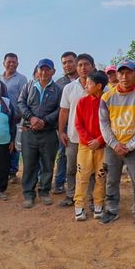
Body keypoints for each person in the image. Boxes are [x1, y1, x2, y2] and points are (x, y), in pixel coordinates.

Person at [98, 60, 135, 230]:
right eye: (121, 73)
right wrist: (114, 144)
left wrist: (130, 146)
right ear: (116, 75)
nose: (124, 76)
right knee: (111, 179)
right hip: (113, 146)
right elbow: (104, 123)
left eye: (128, 72)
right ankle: (112, 209)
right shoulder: (107, 97)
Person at [19, 59, 62, 208]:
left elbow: (60, 109)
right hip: (29, 132)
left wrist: (44, 121)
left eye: (47, 69)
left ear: (53, 71)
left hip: (48, 133)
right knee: (29, 164)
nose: (43, 72)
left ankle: (44, 191)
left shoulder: (58, 89)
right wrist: (31, 118)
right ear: (37, 70)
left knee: (47, 164)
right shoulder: (29, 86)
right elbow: (21, 103)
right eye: (41, 69)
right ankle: (28, 194)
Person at [58, 53, 96, 207]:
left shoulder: (101, 86)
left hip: (94, 137)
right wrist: (61, 131)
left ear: (92, 66)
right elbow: (64, 111)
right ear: (77, 67)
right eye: (80, 65)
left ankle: (93, 198)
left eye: (86, 64)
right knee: (71, 168)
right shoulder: (69, 88)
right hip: (74, 136)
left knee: (93, 169)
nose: (83, 68)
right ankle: (71, 195)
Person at [73, 71, 108, 221]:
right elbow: (78, 124)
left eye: (89, 83)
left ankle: (99, 205)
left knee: (101, 176)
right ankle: (79, 206)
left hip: (103, 146)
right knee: (82, 176)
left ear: (99, 86)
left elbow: (111, 124)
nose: (86, 86)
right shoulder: (82, 101)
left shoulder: (108, 101)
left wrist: (99, 140)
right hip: (85, 146)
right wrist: (89, 141)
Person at [0, 53, 28, 182]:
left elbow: (24, 98)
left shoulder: (21, 79)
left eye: (14, 62)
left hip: (16, 116)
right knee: (3, 144)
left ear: (17, 63)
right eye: (9, 62)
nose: (11, 64)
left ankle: (12, 172)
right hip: (0, 117)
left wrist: (22, 115)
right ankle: (2, 171)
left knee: (15, 145)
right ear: (4, 63)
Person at [53, 52, 79, 194]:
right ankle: (59, 183)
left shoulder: (86, 80)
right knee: (63, 155)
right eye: (64, 63)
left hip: (84, 126)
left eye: (70, 62)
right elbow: (59, 108)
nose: (67, 65)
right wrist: (60, 129)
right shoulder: (59, 84)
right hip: (66, 126)